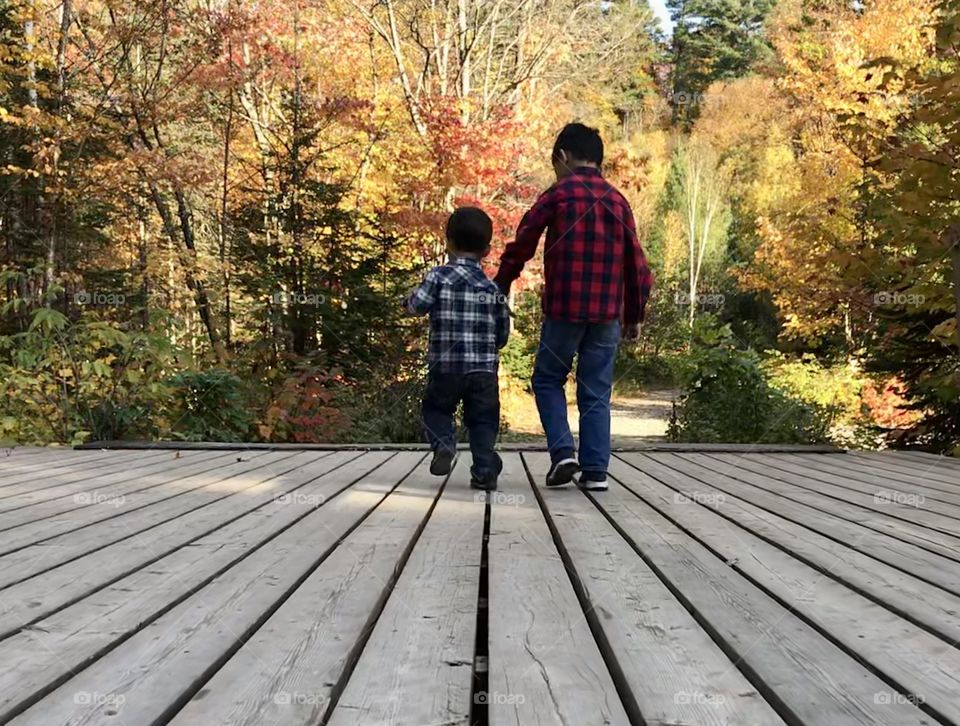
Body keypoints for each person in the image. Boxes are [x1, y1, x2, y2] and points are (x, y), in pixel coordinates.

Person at [494, 123, 653, 491]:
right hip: (607, 315)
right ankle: (596, 471)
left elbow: (524, 242)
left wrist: (501, 284)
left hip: (564, 311)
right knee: (596, 390)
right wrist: (634, 315)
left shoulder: (558, 195)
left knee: (547, 379)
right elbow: (638, 267)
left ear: (562, 157)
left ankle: (563, 453)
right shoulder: (618, 202)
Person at [404, 207, 510, 491]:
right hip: (483, 372)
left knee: (436, 409)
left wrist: (407, 300)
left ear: (448, 242)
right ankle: (485, 470)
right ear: (487, 250)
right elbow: (502, 333)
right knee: (483, 421)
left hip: (446, 367)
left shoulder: (438, 277)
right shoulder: (492, 288)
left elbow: (416, 306)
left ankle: (444, 445)